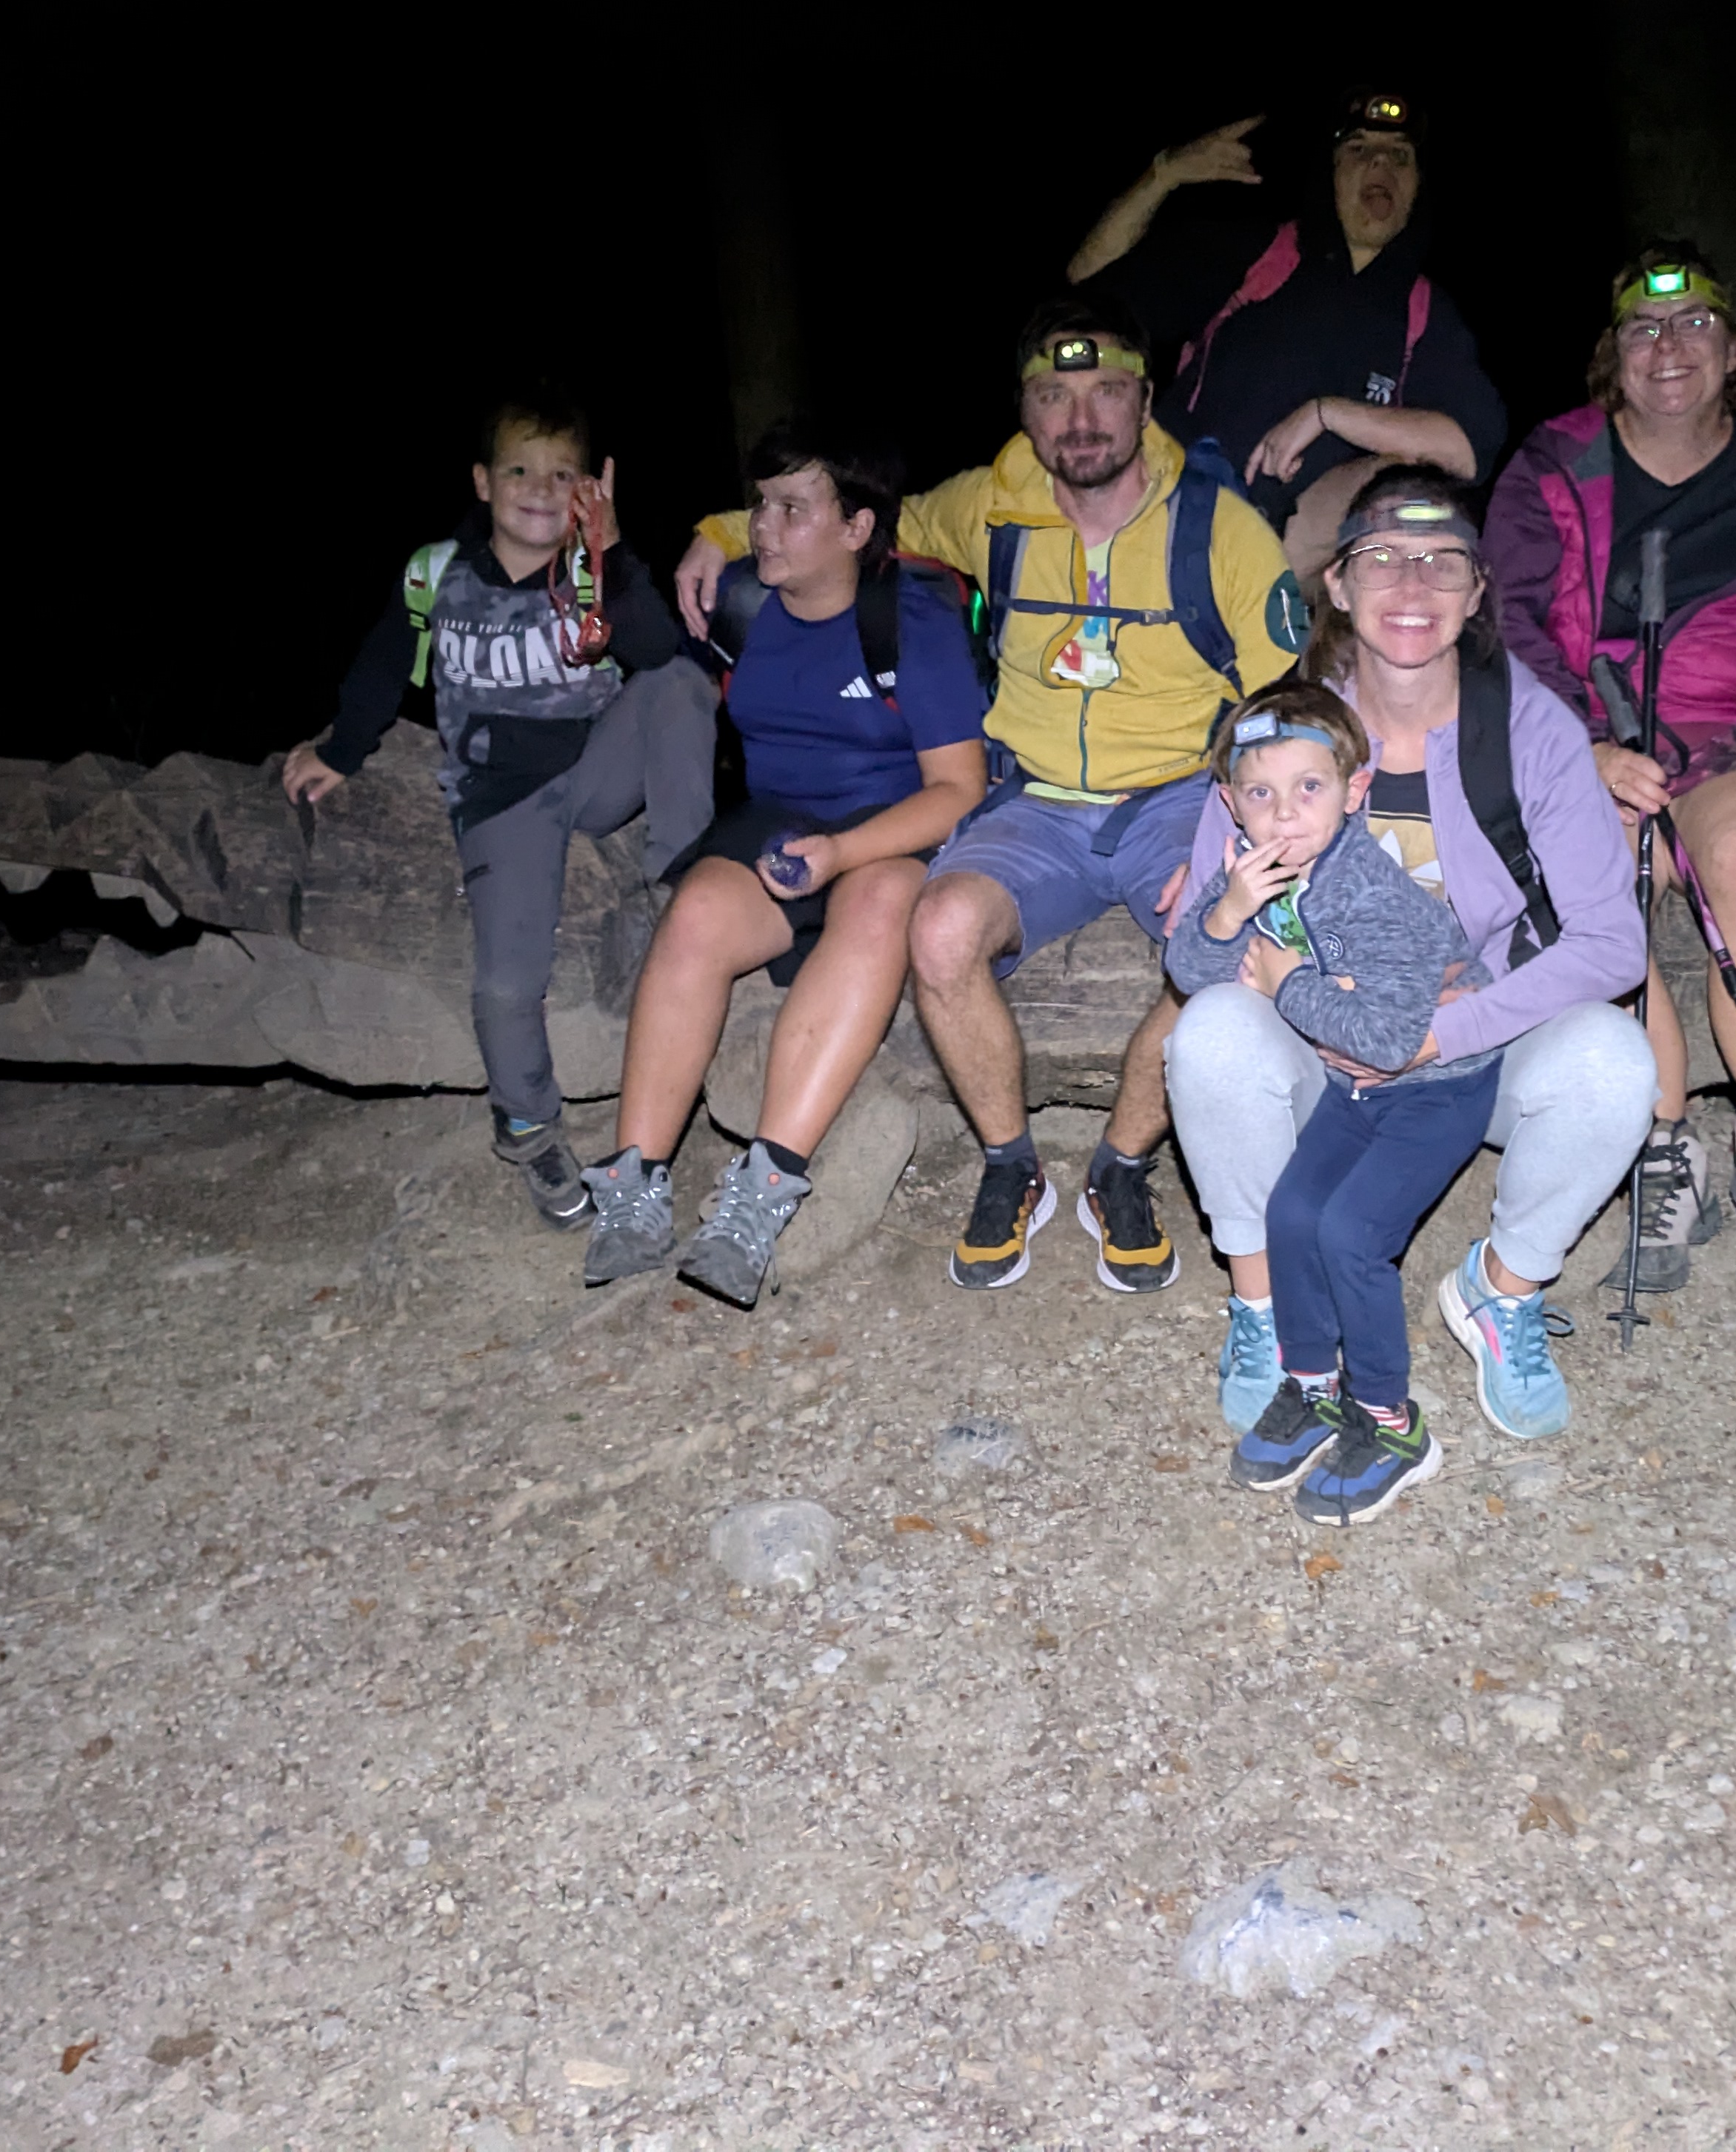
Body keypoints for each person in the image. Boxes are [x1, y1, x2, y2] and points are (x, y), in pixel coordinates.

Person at [675, 291, 1303, 1294]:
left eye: (1105, 392)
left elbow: (1287, 699)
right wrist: (718, 529)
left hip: (1179, 795)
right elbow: (856, 517)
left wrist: (1246, 834)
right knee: (938, 930)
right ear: (1025, 410)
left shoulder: (1219, 527)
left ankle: (1120, 1164)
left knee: (1226, 946)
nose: (1080, 419)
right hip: (1034, 801)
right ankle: (1013, 1164)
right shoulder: (990, 504)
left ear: (1146, 401)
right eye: (1054, 396)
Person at [1165, 468, 1655, 1449]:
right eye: (1382, 556)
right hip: (1320, 1048)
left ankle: (1502, 1290)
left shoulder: (1527, 729)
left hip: (1473, 1051)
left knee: (1613, 1061)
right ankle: (1264, 1308)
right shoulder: (1279, 735)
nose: (1413, 583)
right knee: (1209, 1031)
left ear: (1477, 592)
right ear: (1338, 584)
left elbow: (1613, 944)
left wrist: (1439, 1034)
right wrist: (1281, 977)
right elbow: (1207, 937)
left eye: (1443, 561)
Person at [1483, 249, 1736, 1297]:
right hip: (1593, 721)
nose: (1669, 346)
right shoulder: (1552, 464)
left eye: (1695, 323)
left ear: (1734, 348)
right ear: (1612, 355)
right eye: (1644, 329)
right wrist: (1579, 746)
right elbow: (1506, 618)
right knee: (1597, 876)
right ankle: (1661, 1141)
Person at [580, 429, 989, 1308]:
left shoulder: (909, 620)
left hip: (892, 824)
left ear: (855, 527)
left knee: (879, 905)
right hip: (777, 820)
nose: (763, 526)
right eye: (760, 504)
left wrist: (843, 852)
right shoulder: (740, 603)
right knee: (695, 912)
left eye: (791, 509)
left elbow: (959, 788)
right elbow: (653, 649)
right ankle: (633, 1187)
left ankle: (758, 1198)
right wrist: (611, 556)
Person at [284, 392, 713, 1228]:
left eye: (562, 474)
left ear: (588, 487)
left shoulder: (591, 569)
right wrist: (340, 750)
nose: (539, 489)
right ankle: (527, 1124)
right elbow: (382, 665)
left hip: (592, 771)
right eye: (519, 470)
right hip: (501, 798)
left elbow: (658, 650)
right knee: (509, 980)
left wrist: (612, 548)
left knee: (680, 683)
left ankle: (684, 880)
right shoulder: (437, 573)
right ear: (483, 481)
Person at [1165, 683, 1503, 1524]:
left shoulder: (1375, 897)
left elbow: (1388, 1041)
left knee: (1351, 1233)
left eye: (1309, 787)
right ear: (1230, 804)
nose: (1284, 812)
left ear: (1355, 791)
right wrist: (1228, 913)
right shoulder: (1251, 874)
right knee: (1290, 1214)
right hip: (1354, 1089)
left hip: (1436, 1091)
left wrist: (1287, 983)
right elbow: (1190, 972)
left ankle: (1392, 1424)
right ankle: (1312, 1385)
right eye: (1260, 792)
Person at [1066, 92, 1507, 580]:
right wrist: (1163, 176)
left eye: (1400, 156)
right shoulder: (1262, 254)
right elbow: (1089, 288)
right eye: (1359, 150)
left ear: (1418, 186)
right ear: (1330, 172)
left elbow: (1469, 451)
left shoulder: (1425, 313)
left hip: (1303, 571)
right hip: (1175, 522)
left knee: (1410, 493)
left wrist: (1328, 414)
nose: (1380, 164)